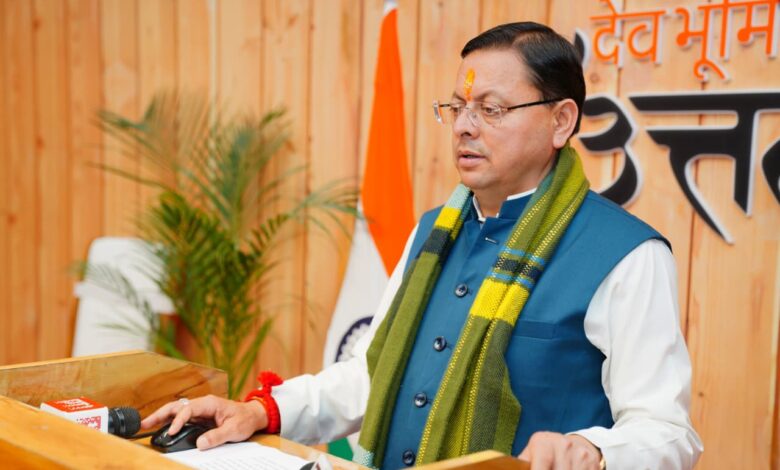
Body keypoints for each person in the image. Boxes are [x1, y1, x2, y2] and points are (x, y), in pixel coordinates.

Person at [142, 22, 703, 469]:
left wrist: (596, 451)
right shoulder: (433, 231)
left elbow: (668, 432)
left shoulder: (625, 254)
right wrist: (263, 411)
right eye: (457, 107)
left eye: (491, 109)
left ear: (561, 121)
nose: (463, 126)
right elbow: (373, 375)